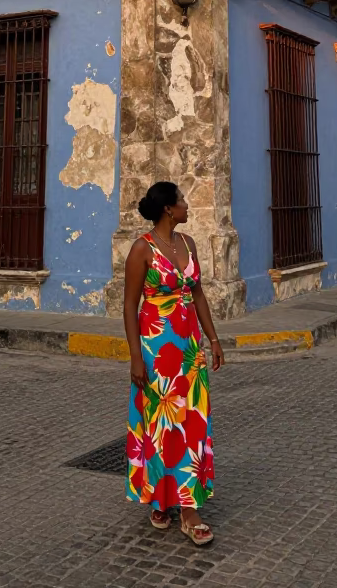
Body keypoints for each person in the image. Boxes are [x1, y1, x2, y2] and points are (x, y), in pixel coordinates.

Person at [123, 181, 225, 546]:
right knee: (163, 423)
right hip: (156, 352)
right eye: (182, 200)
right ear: (168, 208)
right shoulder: (142, 250)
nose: (186, 206)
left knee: (191, 422)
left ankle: (186, 504)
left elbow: (197, 294)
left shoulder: (188, 244)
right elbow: (130, 307)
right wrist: (136, 356)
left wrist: (213, 339)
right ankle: (165, 498)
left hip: (190, 352)